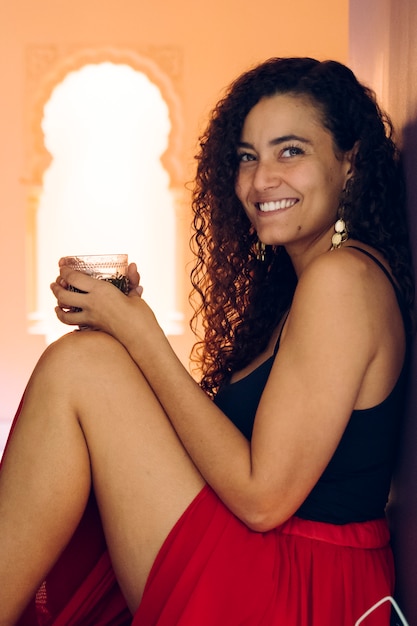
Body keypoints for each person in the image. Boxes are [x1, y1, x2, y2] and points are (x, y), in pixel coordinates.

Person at [0, 57, 414, 626]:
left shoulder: (343, 282)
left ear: (351, 161)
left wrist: (140, 335)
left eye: (290, 151)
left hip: (301, 588)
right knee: (97, 359)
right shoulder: (309, 286)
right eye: (248, 157)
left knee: (83, 366)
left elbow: (263, 499)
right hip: (279, 563)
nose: (261, 178)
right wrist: (125, 333)